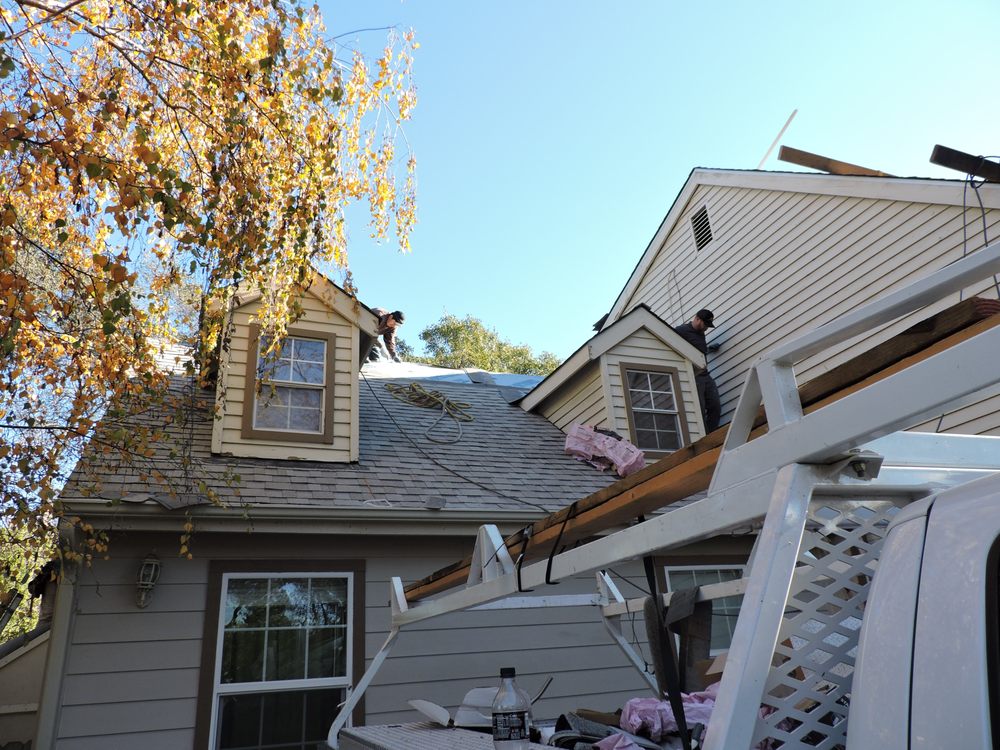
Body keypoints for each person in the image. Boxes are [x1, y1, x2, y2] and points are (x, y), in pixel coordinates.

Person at [674, 308, 721, 432]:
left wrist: (709, 349)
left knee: (715, 405)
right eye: (705, 325)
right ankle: (704, 436)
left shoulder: (701, 333)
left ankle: (712, 433)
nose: (706, 328)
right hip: (694, 376)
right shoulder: (681, 331)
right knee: (699, 408)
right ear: (697, 319)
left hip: (705, 374)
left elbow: (697, 350)